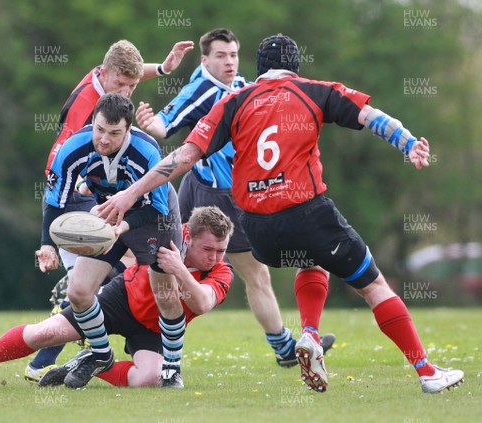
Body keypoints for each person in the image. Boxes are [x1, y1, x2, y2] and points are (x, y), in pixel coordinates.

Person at [96, 34, 465, 394]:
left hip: (257, 228)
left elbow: (182, 158)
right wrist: (409, 143)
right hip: (307, 212)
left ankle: (309, 335)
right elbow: (372, 117)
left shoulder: (233, 101)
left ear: (259, 69)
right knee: (374, 286)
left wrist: (129, 194)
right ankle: (427, 371)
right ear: (295, 67)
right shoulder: (317, 90)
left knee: (313, 261)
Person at [135, 28, 334, 367]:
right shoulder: (202, 89)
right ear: (205, 59)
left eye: (233, 55)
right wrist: (150, 123)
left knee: (156, 254)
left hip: (195, 184)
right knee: (255, 275)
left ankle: (123, 321)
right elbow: (165, 125)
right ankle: (284, 348)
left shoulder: (240, 85)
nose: (228, 62)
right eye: (220, 56)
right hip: (220, 196)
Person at [27, 39, 194, 382]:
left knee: (161, 290)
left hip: (149, 215)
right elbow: (56, 188)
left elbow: (156, 209)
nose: (103, 138)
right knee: (80, 290)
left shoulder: (146, 149)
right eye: (99, 130)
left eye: (113, 133)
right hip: (89, 195)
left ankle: (171, 366)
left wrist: (161, 69)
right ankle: (99, 353)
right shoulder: (82, 127)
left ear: (128, 129)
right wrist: (48, 240)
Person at [0, 206, 234, 389]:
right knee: (46, 333)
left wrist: (179, 269)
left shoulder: (222, 271)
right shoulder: (166, 232)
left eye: (221, 250)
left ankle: (86, 363)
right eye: (209, 250)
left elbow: (203, 302)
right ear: (189, 236)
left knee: (149, 380)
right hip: (120, 299)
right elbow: (128, 243)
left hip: (156, 329)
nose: (215, 257)